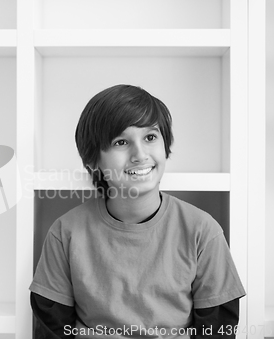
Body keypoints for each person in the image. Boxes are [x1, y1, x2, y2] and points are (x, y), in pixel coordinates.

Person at [29, 84, 246, 338]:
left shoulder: (202, 231)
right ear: (92, 160)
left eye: (150, 137)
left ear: (166, 146)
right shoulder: (65, 233)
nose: (140, 155)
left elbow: (218, 329)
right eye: (121, 142)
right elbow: (51, 329)